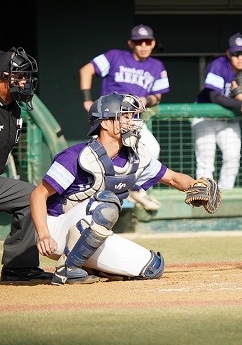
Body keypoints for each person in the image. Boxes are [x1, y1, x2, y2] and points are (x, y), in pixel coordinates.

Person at [31, 93, 210, 285]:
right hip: (55, 228)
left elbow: (173, 178)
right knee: (105, 203)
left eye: (132, 116)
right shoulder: (76, 156)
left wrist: (195, 185)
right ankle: (68, 268)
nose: (131, 122)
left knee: (152, 267)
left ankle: (87, 266)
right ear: (105, 123)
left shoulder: (135, 156)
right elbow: (38, 195)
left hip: (88, 234)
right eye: (124, 116)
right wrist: (44, 235)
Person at [78, 24, 169, 211]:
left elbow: (158, 95)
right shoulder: (115, 56)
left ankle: (135, 189)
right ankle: (90, 199)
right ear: (131, 43)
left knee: (152, 149)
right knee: (98, 159)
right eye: (139, 42)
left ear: (153, 43)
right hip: (108, 119)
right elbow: (86, 70)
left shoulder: (156, 66)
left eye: (147, 42)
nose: (143, 46)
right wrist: (87, 99)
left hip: (132, 119)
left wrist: (146, 99)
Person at [0, 47, 54, 282]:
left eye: (26, 77)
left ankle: (19, 268)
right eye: (19, 76)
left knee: (31, 196)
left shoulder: (14, 109)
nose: (24, 82)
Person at [192, 33, 242, 189]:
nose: (240, 58)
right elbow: (214, 96)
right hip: (205, 116)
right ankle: (205, 197)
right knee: (206, 161)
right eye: (235, 54)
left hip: (228, 118)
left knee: (233, 157)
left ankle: (223, 195)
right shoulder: (218, 65)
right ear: (228, 53)